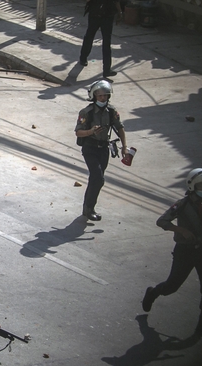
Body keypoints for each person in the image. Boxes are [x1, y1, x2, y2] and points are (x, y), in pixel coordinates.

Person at [142, 169, 202, 338]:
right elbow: (162, 221)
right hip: (185, 251)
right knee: (172, 286)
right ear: (193, 186)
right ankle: (153, 293)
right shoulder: (182, 205)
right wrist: (180, 230)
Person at [74, 79, 128, 221]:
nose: (103, 98)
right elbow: (78, 132)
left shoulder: (111, 111)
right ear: (94, 96)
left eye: (105, 95)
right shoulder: (87, 112)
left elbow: (120, 128)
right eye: (100, 96)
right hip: (90, 148)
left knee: (96, 179)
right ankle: (89, 209)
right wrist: (90, 131)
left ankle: (87, 208)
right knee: (98, 178)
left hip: (104, 149)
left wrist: (124, 147)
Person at [78, 0, 122, 78]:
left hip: (107, 15)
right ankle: (83, 58)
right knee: (90, 37)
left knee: (106, 42)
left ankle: (106, 69)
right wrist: (119, 12)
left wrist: (119, 12)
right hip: (96, 14)